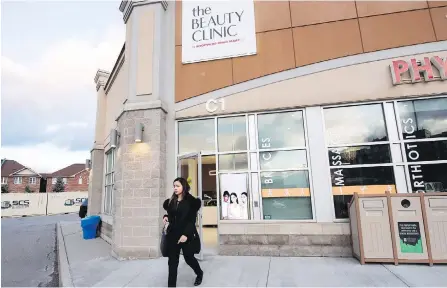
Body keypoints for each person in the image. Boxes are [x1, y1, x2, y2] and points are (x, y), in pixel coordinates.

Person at [163, 177, 203, 287]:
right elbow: (170, 213)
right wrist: (166, 216)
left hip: (186, 235)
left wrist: (185, 234)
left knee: (189, 258)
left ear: (183, 187)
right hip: (173, 235)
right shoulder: (172, 200)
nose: (175, 188)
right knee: (172, 263)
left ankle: (199, 273)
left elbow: (191, 220)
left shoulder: (191, 202)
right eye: (174, 186)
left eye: (177, 186)